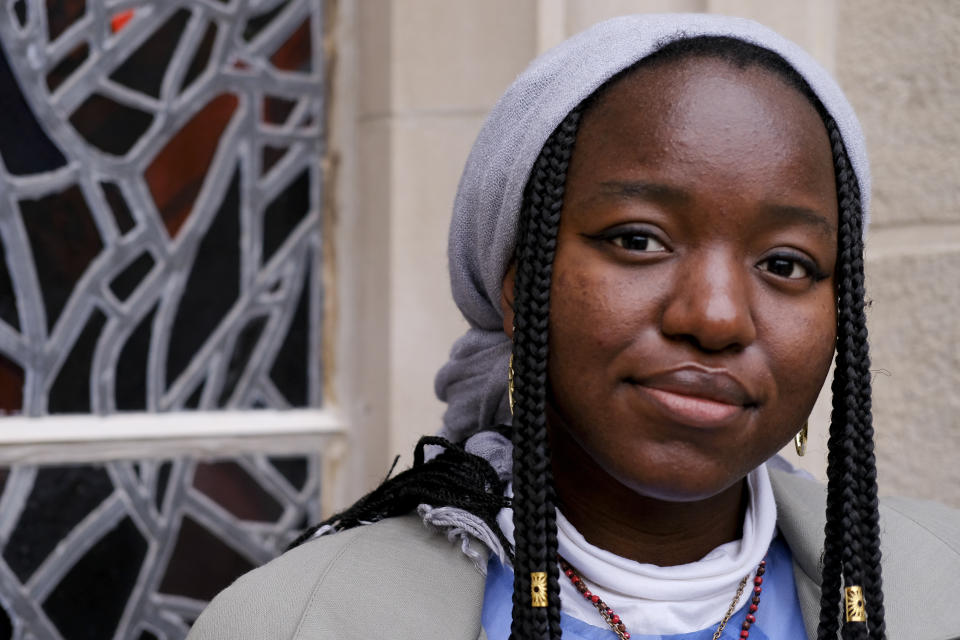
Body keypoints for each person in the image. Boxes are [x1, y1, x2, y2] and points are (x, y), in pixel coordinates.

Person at [187, 13, 960, 640]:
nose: (717, 316)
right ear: (516, 283)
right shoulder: (295, 622)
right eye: (638, 240)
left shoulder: (940, 586)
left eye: (787, 264)